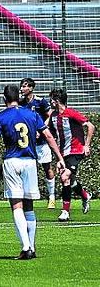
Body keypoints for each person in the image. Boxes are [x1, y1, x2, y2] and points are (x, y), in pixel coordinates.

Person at [0, 83, 66, 259]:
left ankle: (26, 247)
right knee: (29, 206)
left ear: (4, 99)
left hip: (11, 161)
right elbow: (48, 136)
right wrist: (60, 158)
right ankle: (31, 246)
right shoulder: (32, 114)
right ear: (19, 97)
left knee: (16, 205)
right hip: (30, 161)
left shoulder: (0, 117)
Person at [49, 88, 94, 222]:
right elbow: (52, 136)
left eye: (51, 99)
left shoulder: (71, 113)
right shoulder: (53, 117)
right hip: (64, 153)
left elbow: (90, 126)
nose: (50, 102)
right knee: (70, 180)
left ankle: (65, 212)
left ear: (56, 101)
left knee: (65, 177)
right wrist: (59, 158)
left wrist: (86, 145)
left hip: (76, 150)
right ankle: (85, 195)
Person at [20, 77, 57, 207]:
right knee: (27, 169)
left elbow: (50, 115)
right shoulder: (21, 104)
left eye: (25, 86)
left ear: (31, 88)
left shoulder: (40, 102)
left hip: (41, 142)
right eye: (22, 86)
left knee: (47, 168)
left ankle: (52, 196)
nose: (22, 89)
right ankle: (28, 197)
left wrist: (42, 129)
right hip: (28, 143)